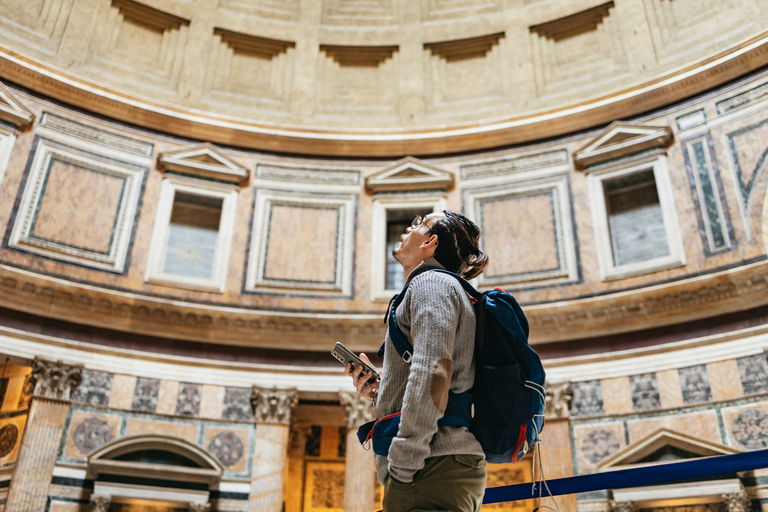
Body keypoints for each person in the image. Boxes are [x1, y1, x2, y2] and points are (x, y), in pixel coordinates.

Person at [345, 210, 490, 512]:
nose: (407, 229)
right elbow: (435, 374)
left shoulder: (430, 284)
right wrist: (379, 390)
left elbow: (434, 373)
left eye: (417, 224)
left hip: (426, 468)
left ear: (430, 242)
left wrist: (403, 463)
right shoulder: (441, 287)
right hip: (437, 466)